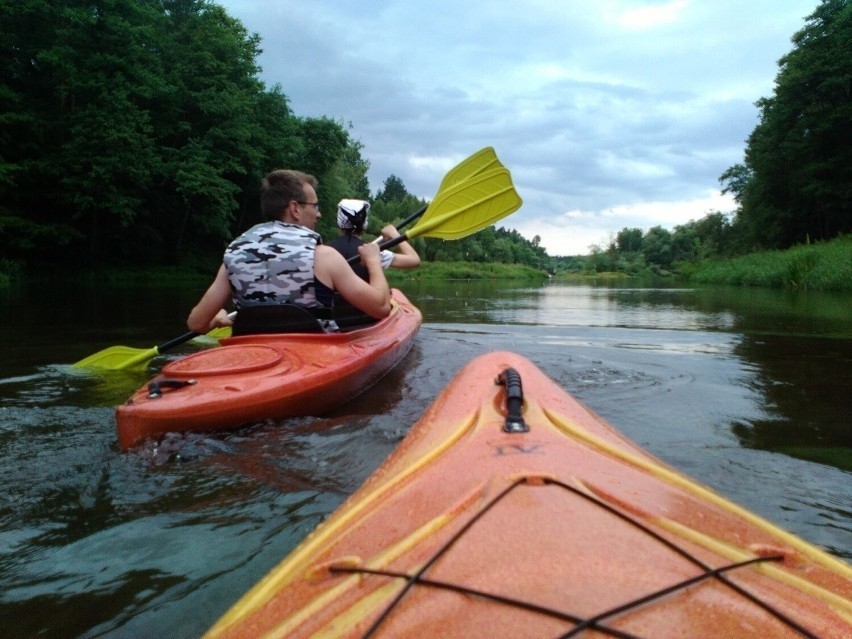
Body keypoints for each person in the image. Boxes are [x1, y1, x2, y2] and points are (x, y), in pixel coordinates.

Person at [187, 170, 391, 334]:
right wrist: (373, 262)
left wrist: (217, 319)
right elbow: (381, 308)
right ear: (295, 209)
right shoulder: (323, 256)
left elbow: (196, 324)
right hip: (316, 355)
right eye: (315, 206)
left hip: (253, 354)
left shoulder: (235, 254)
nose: (318, 214)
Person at [326, 199, 420, 281]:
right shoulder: (373, 253)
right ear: (364, 225)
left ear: (339, 223)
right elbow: (414, 260)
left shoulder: (323, 251)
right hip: (364, 300)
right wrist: (395, 235)